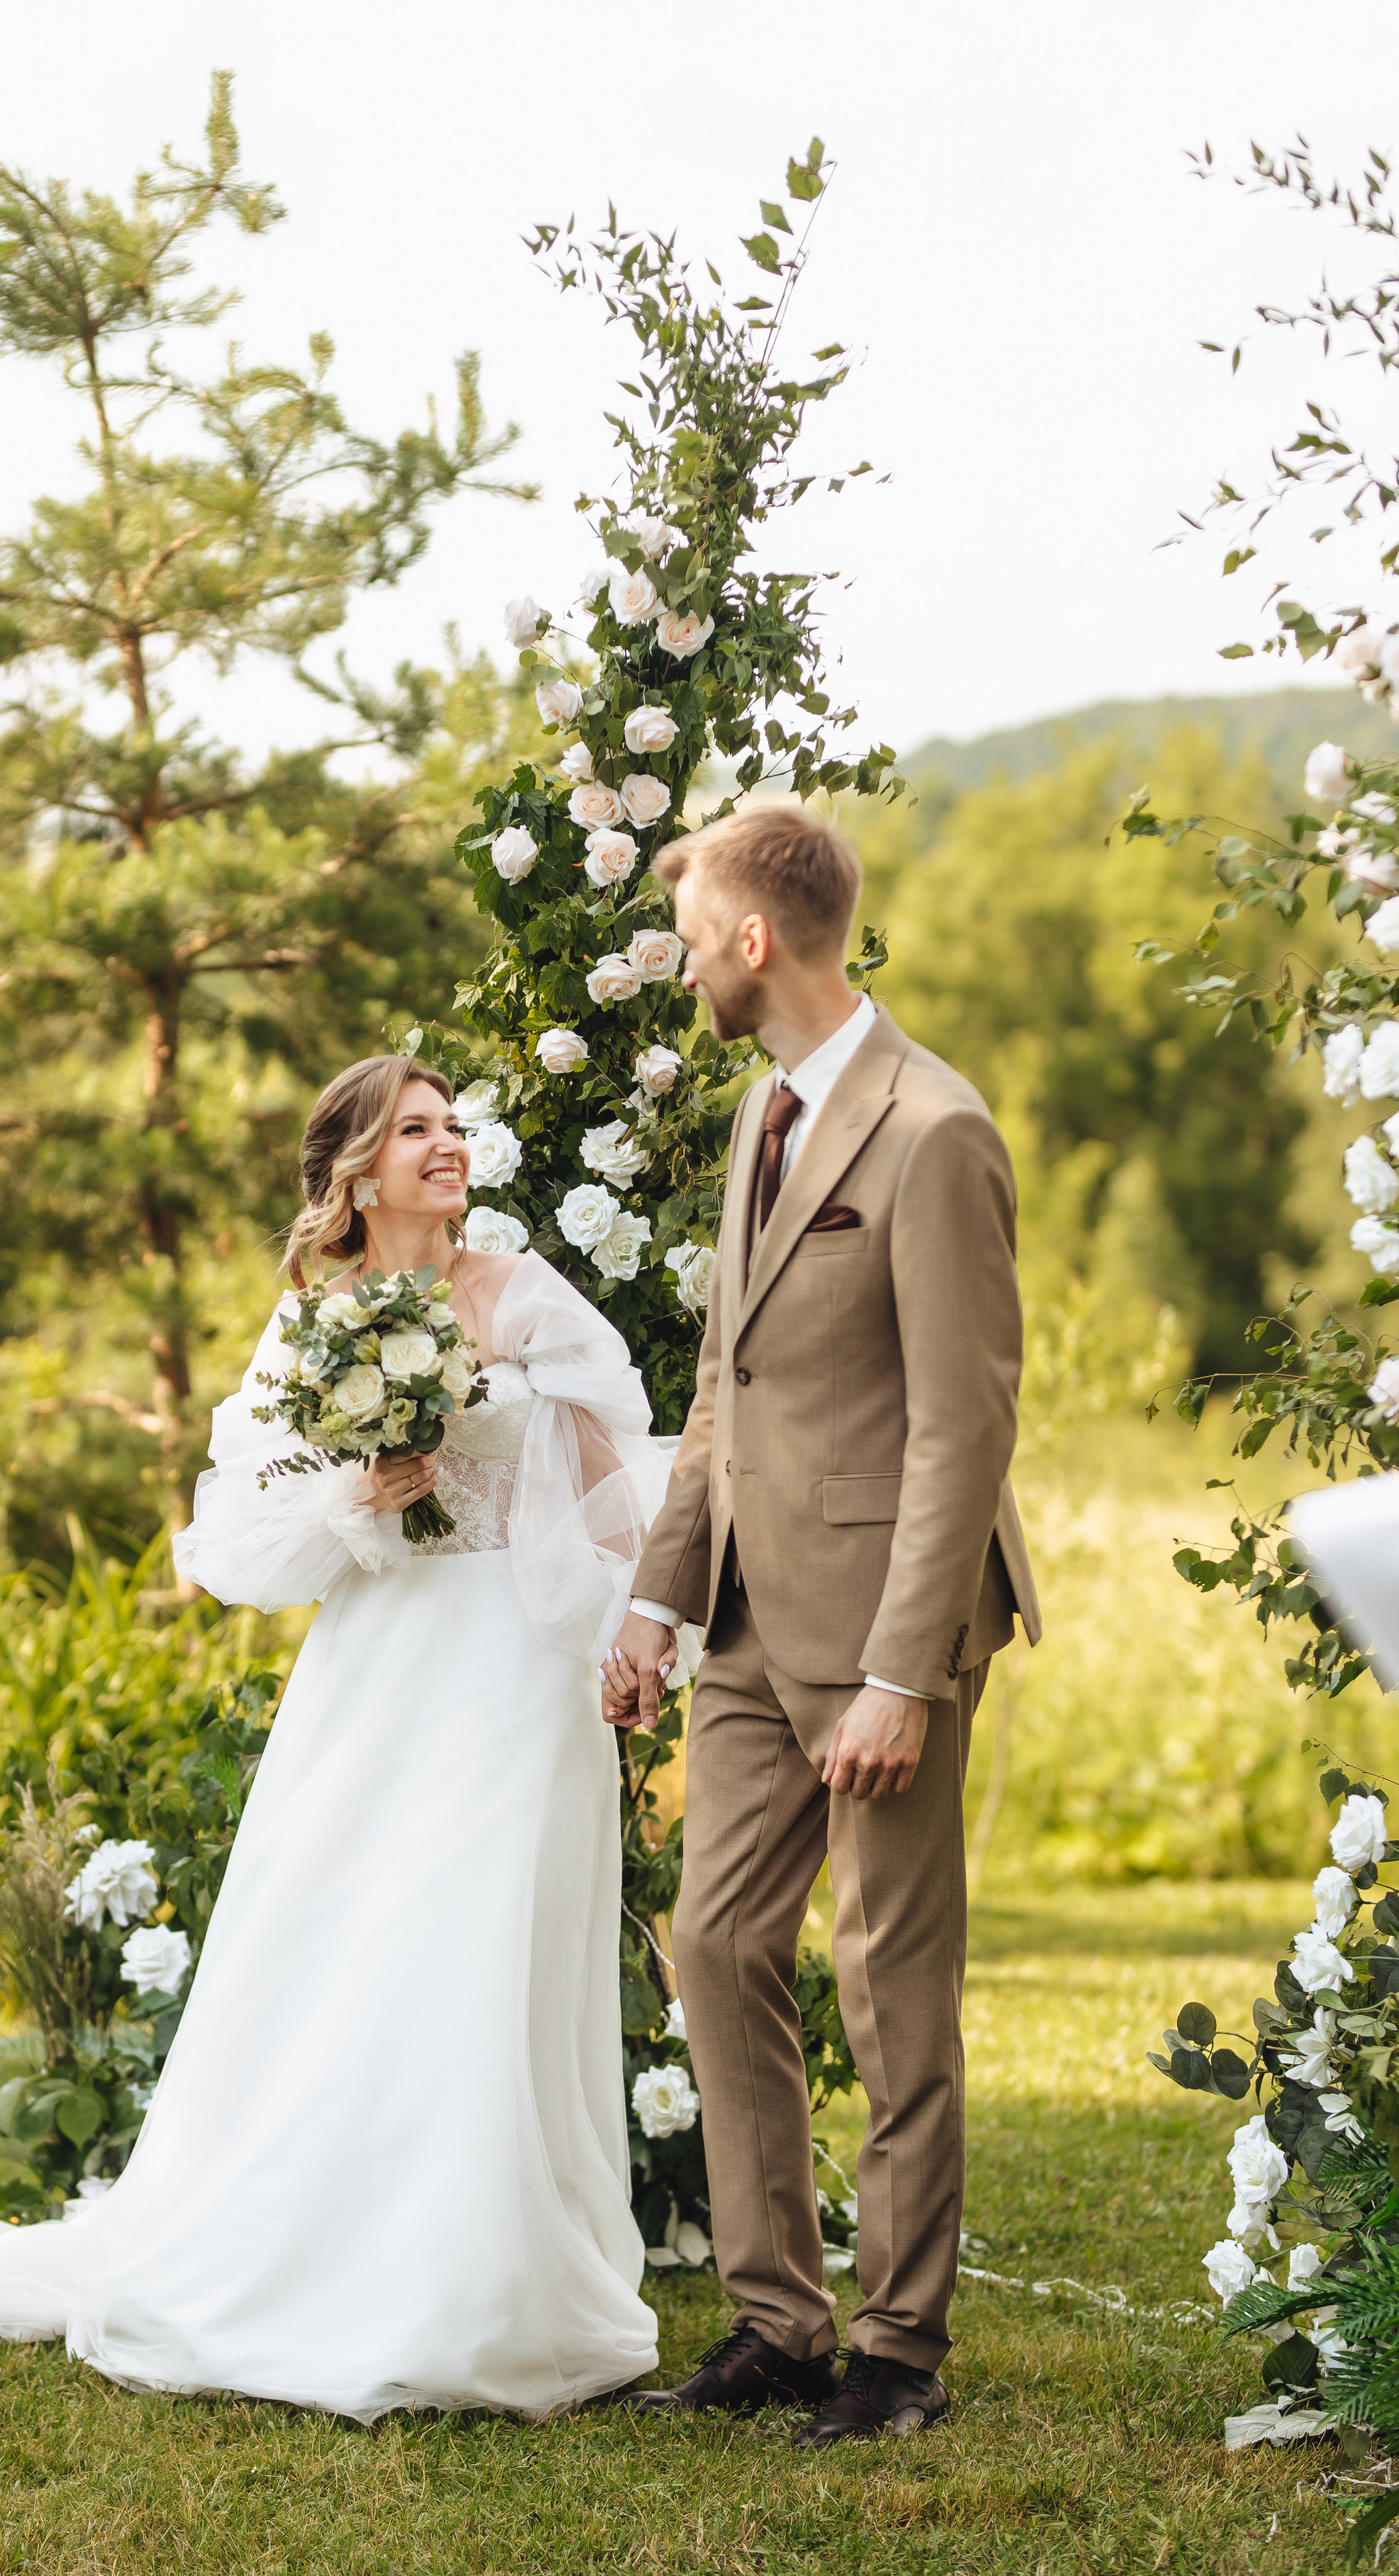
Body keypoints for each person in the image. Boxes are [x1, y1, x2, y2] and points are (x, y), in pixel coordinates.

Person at [0, 1055, 663, 2420]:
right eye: (414, 1130)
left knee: (494, 1940)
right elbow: (246, 1538)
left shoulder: (522, 1294)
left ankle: (495, 2271)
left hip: (521, 1669)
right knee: (362, 1937)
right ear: (355, 1169)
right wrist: (364, 1493)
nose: (445, 1146)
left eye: (449, 1125)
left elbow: (612, 1474)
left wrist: (631, 1631)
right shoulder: (312, 1326)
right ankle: (340, 2252)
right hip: (384, 1659)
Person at [601, 805, 1040, 2448]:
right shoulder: (756, 1116)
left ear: (755, 940)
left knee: (887, 1978)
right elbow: (724, 1390)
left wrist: (900, 1673)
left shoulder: (933, 1132)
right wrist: (655, 1591)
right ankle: (777, 2320)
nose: (688, 960)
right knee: (715, 1944)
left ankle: (896, 2349)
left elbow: (962, 1424)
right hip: (734, 1618)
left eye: (697, 932)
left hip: (878, 1636)